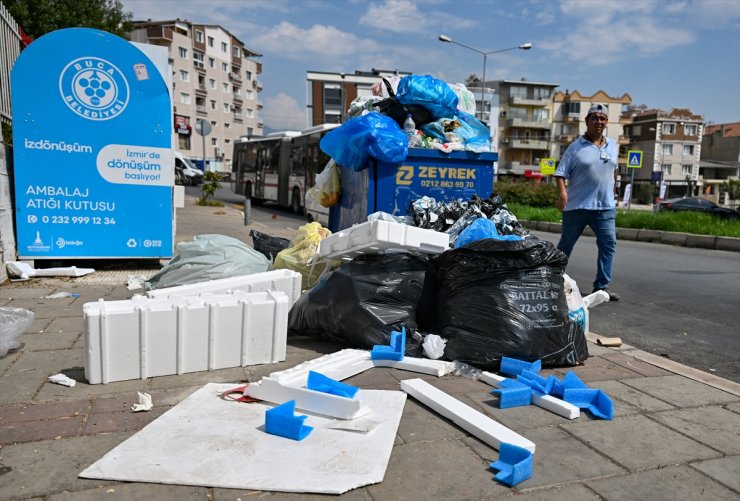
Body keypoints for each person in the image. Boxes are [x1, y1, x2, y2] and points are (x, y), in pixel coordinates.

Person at [554, 103, 620, 301]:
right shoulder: (576, 148)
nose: (598, 122)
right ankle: (553, 280)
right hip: (577, 207)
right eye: (594, 118)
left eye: (602, 118)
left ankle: (602, 287)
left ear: (606, 122)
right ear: (587, 121)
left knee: (609, 245)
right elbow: (559, 174)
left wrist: (614, 190)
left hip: (605, 208)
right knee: (566, 245)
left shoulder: (613, 145)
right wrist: (563, 195)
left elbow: (613, 171)